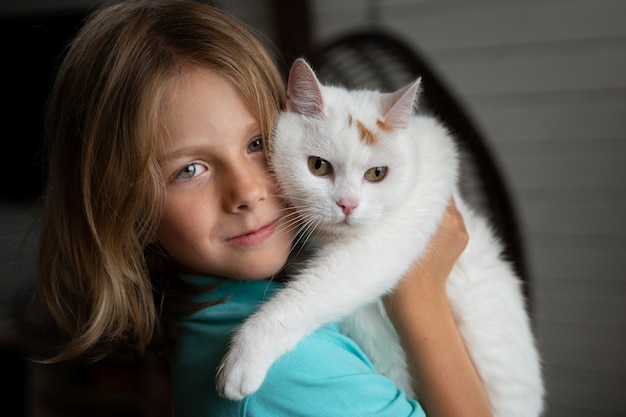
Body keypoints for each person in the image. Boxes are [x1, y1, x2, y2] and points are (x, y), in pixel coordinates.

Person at [38, 1, 492, 416]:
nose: (248, 191)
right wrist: (423, 295)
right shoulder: (288, 371)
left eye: (257, 144)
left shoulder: (212, 309)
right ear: (124, 207)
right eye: (190, 169)